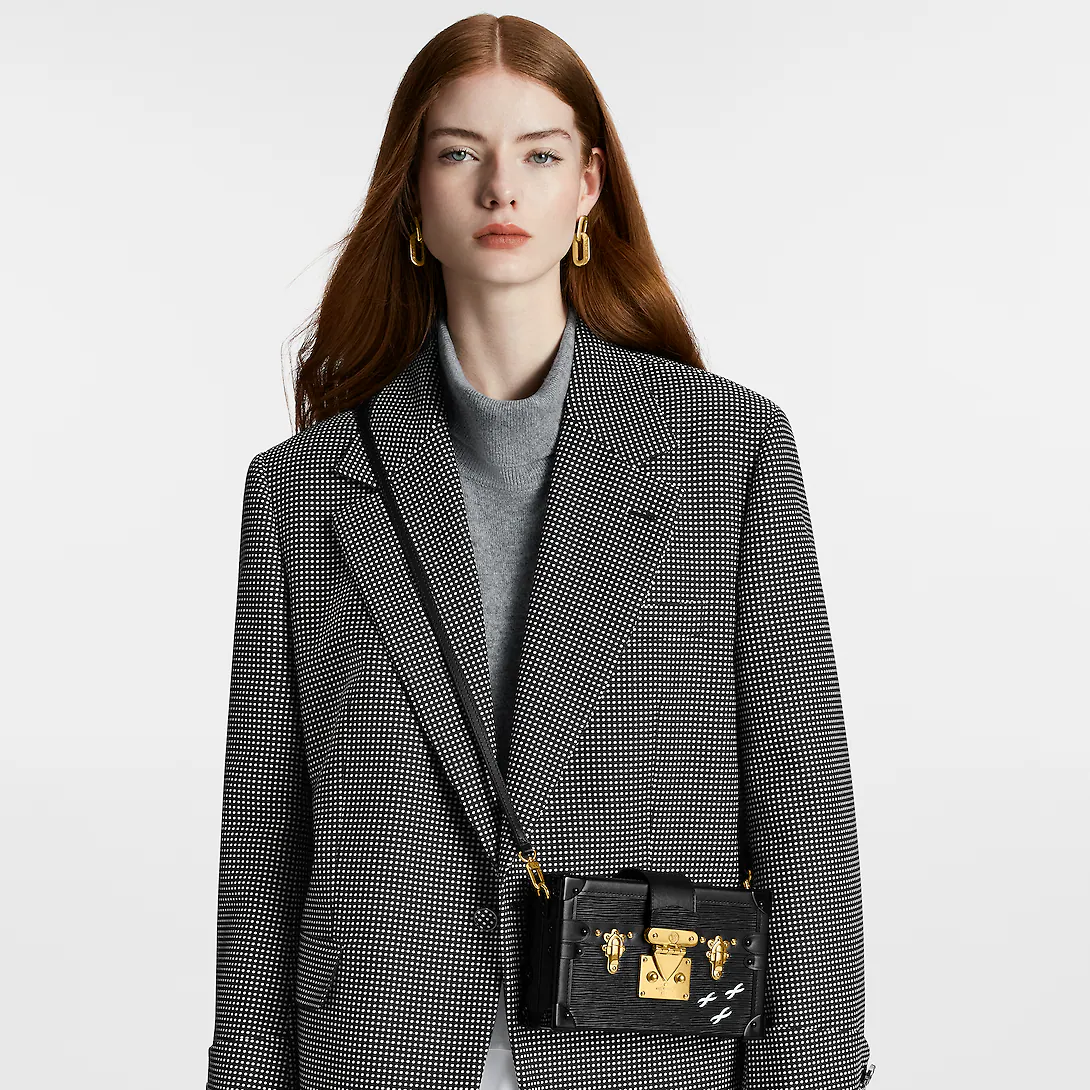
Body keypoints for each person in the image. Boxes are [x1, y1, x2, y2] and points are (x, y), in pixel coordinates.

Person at [205, 13, 874, 1090]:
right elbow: (263, 843)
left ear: (588, 187)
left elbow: (805, 811)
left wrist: (813, 1074)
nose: (500, 190)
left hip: (648, 1053)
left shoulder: (728, 452)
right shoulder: (301, 492)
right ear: (412, 194)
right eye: (458, 153)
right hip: (378, 1049)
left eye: (540, 155)